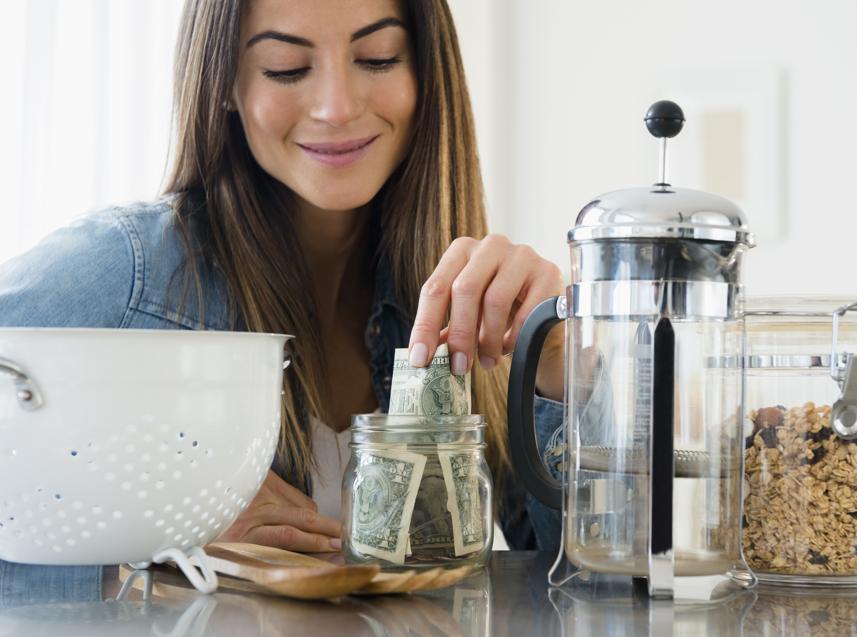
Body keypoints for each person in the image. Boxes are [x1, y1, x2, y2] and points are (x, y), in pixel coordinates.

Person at [0, 0, 565, 600]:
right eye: (286, 68)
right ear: (223, 84)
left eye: (378, 58)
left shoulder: (474, 305)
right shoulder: (127, 271)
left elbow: (583, 579)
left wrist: (561, 369)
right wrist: (148, 536)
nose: (337, 106)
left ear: (426, 74)